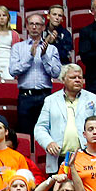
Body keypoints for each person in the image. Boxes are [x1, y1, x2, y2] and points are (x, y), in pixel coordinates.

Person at [34, 64, 96, 177]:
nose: (78, 80)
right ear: (63, 80)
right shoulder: (51, 100)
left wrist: (93, 146)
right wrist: (48, 143)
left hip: (87, 156)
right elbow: (40, 128)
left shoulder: (94, 99)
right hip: (59, 158)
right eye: (73, 77)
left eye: (80, 77)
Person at [10, 12, 62, 142]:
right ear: (26, 26)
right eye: (31, 24)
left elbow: (56, 73)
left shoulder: (51, 49)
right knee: (25, 135)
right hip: (25, 97)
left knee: (46, 134)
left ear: (43, 27)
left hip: (45, 97)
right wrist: (30, 56)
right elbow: (13, 70)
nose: (34, 27)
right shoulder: (18, 47)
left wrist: (44, 56)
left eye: (37, 24)